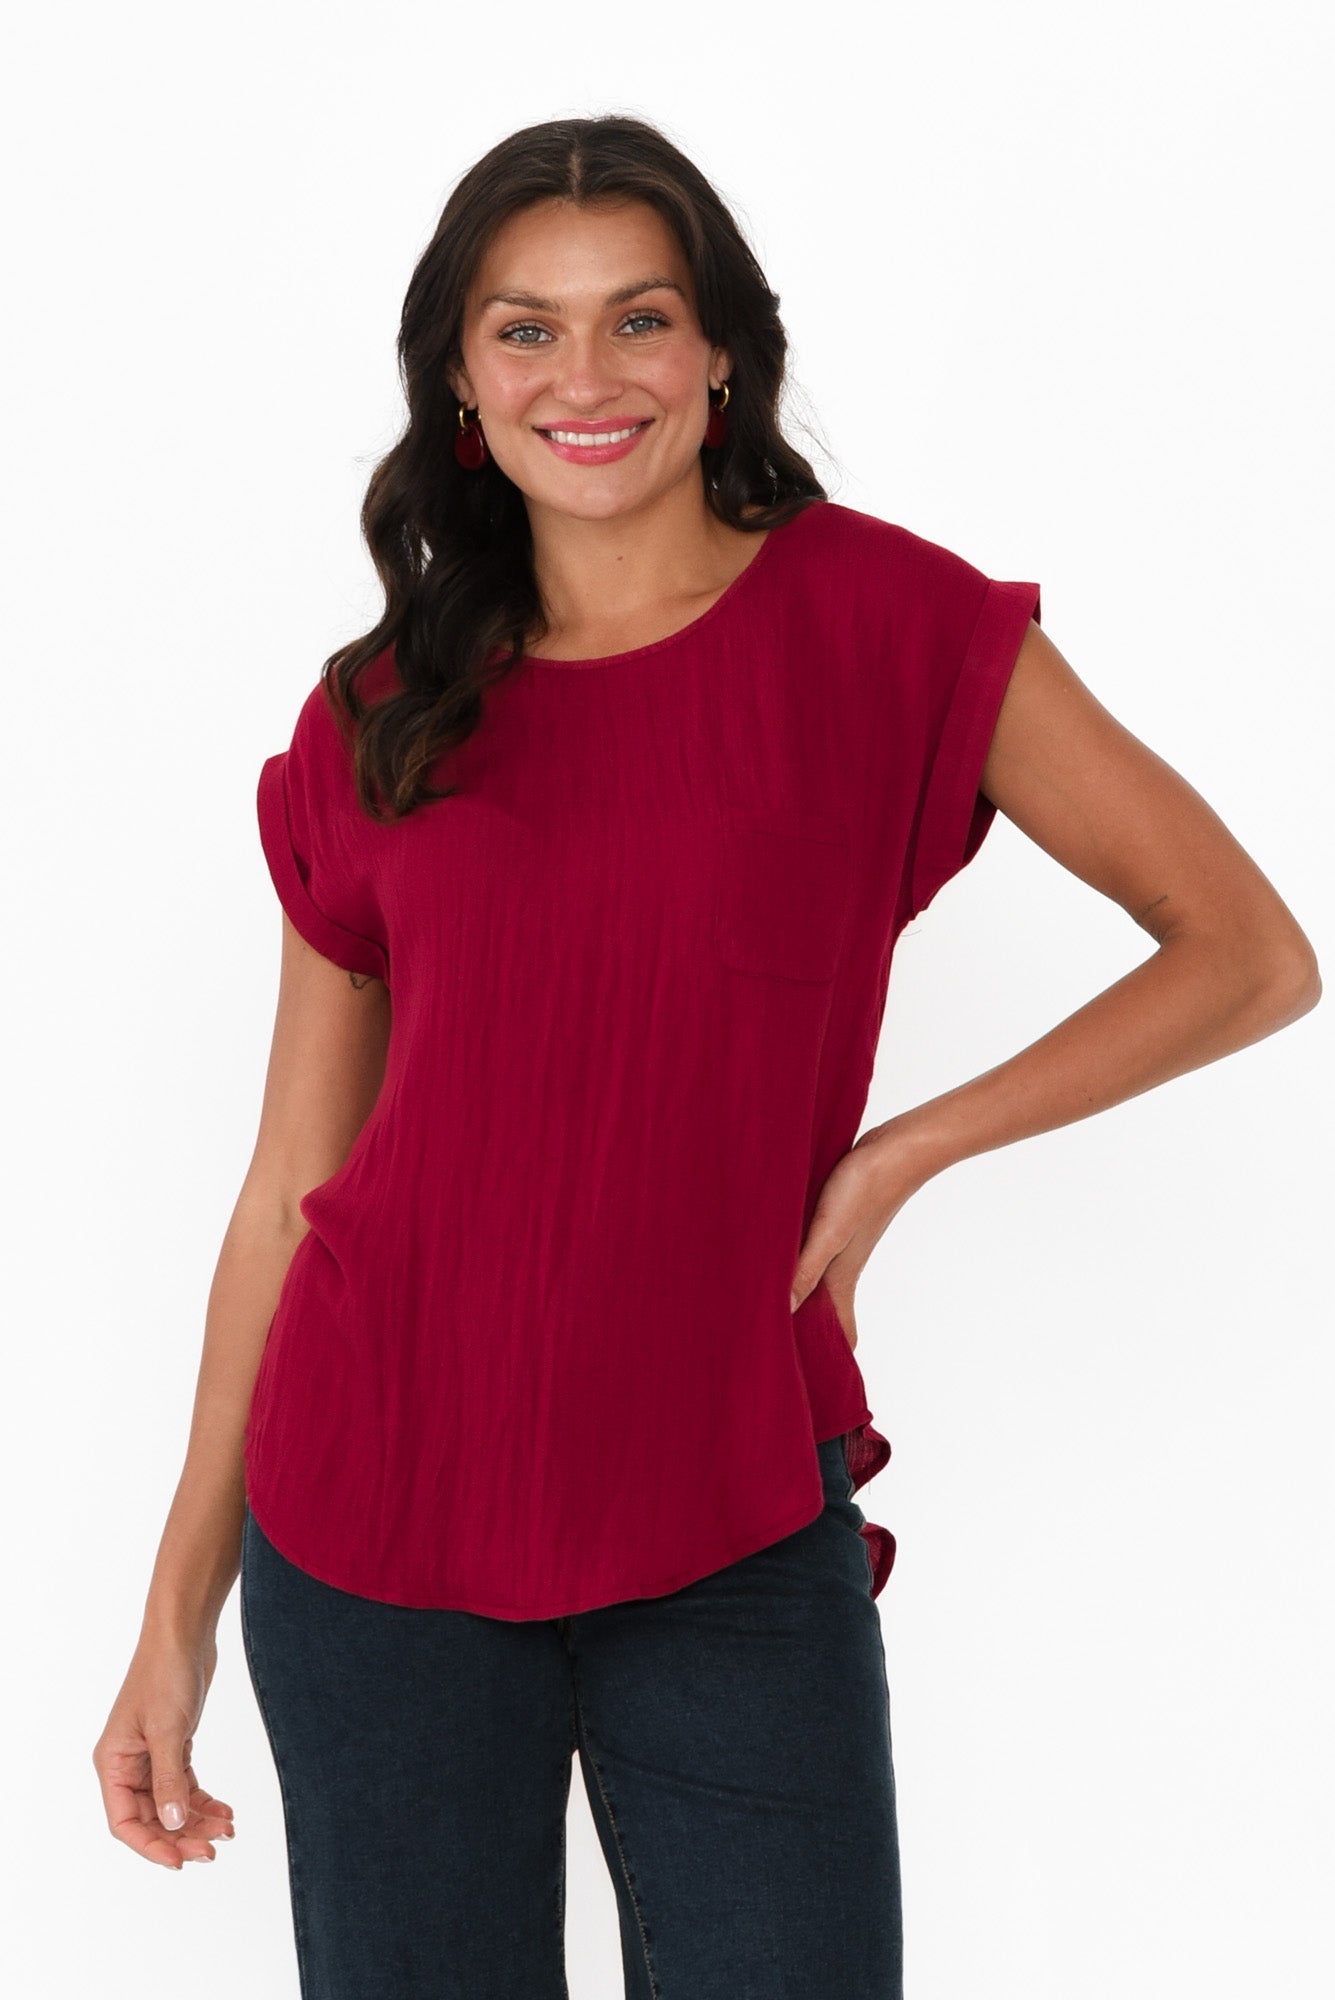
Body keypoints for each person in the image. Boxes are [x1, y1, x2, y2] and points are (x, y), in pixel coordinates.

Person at [92, 114, 1321, 2000]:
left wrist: (902, 1152)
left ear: (723, 352)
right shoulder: (382, 715)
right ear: (460, 380)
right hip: (375, 1518)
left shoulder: (889, 624)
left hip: (731, 1507)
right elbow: (289, 1192)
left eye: (640, 319)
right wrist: (176, 1614)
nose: (585, 377)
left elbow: (1246, 954)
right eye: (526, 329)